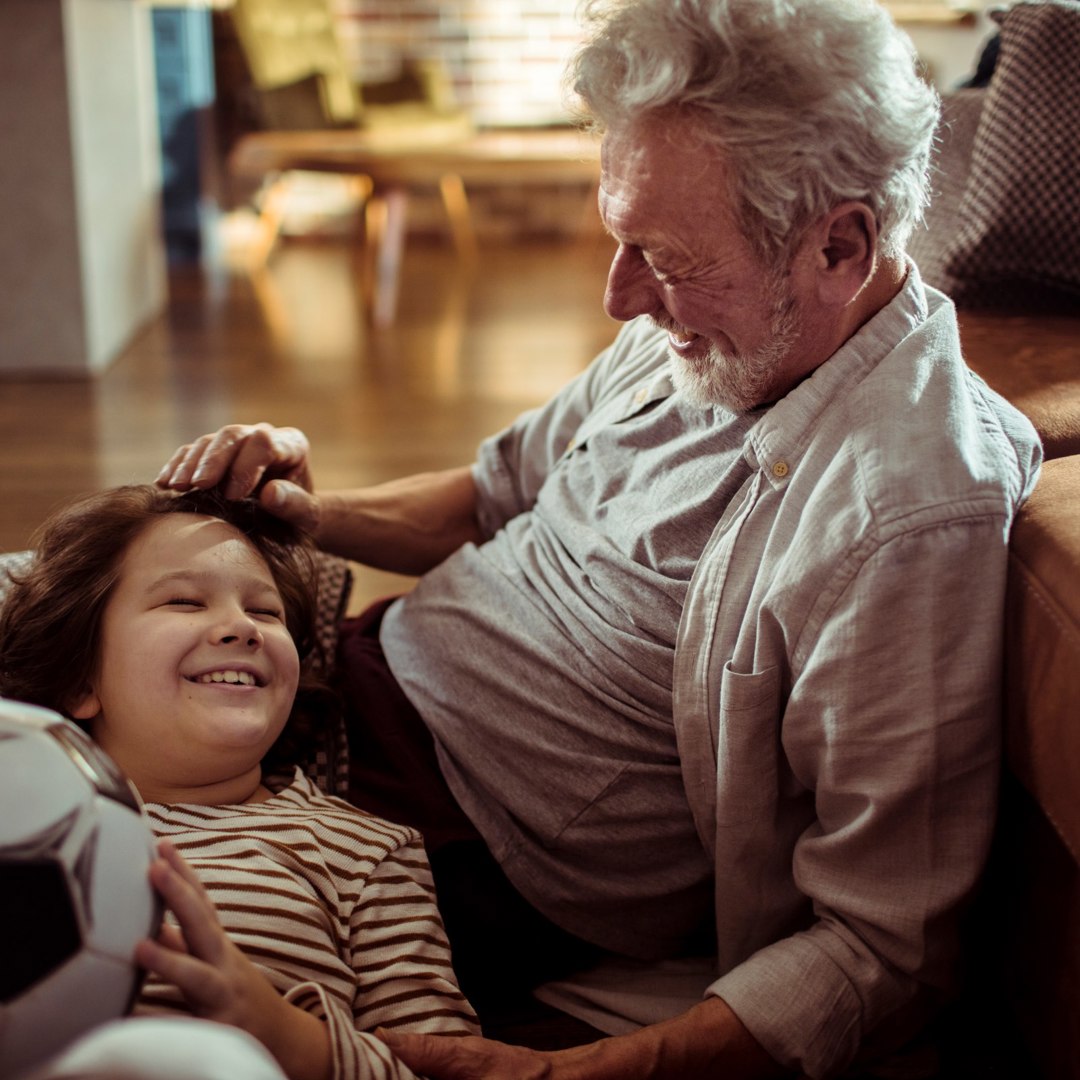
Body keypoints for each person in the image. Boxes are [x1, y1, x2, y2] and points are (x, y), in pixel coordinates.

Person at [155, 0, 1044, 1076]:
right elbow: (493, 492)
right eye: (618, 237)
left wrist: (571, 1073)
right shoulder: (708, 328)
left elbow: (886, 949)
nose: (620, 296)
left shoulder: (909, 508)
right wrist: (305, 511)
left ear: (839, 245)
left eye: (661, 257)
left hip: (422, 837)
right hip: (338, 667)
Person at [0, 485, 479, 1080]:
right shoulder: (19, 809)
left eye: (266, 612)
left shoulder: (364, 852)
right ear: (79, 678)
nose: (240, 627)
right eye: (183, 601)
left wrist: (280, 1033)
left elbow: (450, 1067)